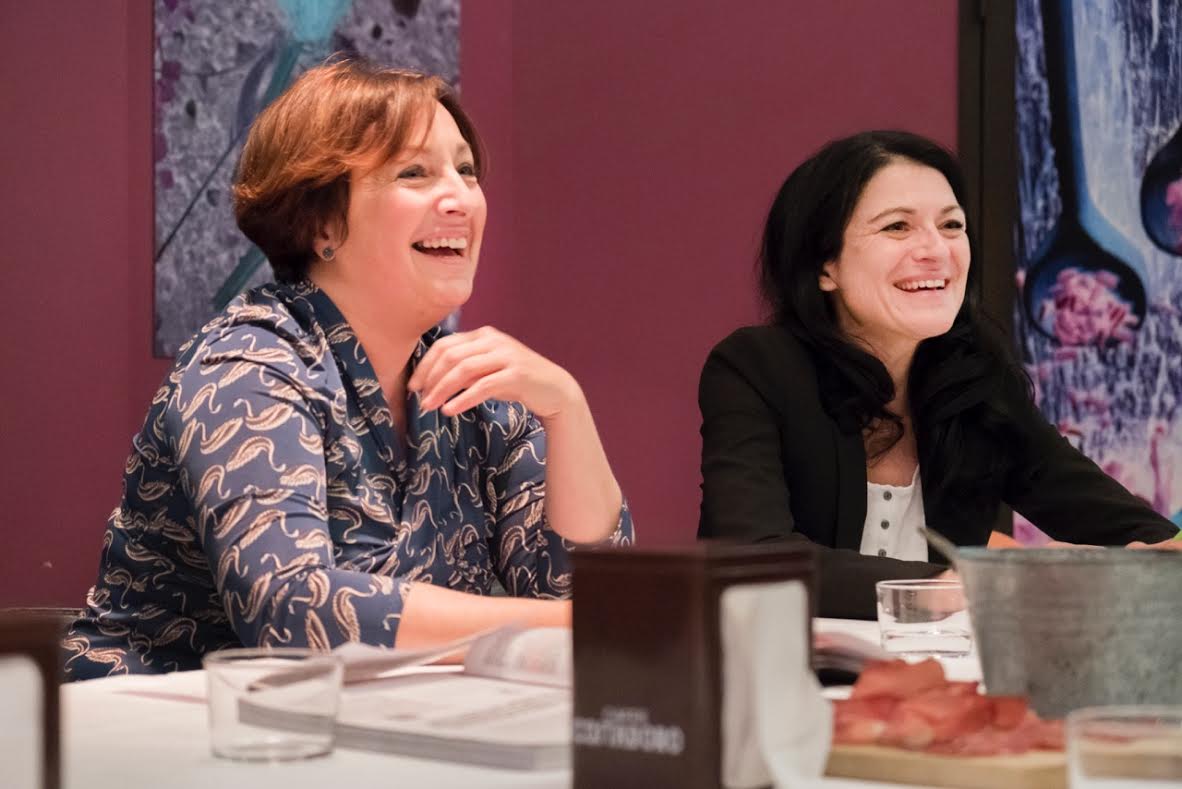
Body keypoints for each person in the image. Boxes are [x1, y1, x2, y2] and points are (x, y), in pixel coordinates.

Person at [63, 59, 632, 680]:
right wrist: (593, 623)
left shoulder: (483, 385)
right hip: (161, 729)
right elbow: (292, 605)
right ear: (323, 223)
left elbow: (576, 596)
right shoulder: (248, 362)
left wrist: (568, 409)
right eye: (413, 172)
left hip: (382, 727)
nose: (461, 198)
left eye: (466, 171)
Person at [697, 130, 1180, 620]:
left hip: (936, 681)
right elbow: (756, 563)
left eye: (951, 226)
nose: (936, 249)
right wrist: (960, 586)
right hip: (775, 680)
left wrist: (1160, 556)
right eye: (897, 228)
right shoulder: (757, 368)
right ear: (826, 267)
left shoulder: (978, 384)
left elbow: (1127, 527)